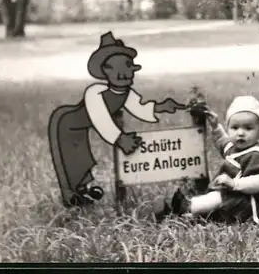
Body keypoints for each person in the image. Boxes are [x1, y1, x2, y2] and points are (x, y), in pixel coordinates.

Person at [48, 31, 187, 208]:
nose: (123, 74)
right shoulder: (95, 92)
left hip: (83, 128)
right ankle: (72, 195)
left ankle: (83, 191)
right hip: (68, 125)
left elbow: (139, 107)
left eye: (127, 67)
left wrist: (160, 107)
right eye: (116, 69)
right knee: (71, 158)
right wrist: (120, 139)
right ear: (106, 71)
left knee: (84, 159)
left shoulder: (125, 93)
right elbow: (101, 119)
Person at [155, 96, 259, 225]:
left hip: (253, 202)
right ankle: (183, 214)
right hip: (235, 197)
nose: (240, 133)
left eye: (248, 128)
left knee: (217, 198)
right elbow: (222, 141)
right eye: (234, 128)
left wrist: (234, 184)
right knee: (214, 202)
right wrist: (215, 126)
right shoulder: (234, 149)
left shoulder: (257, 155)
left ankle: (186, 207)